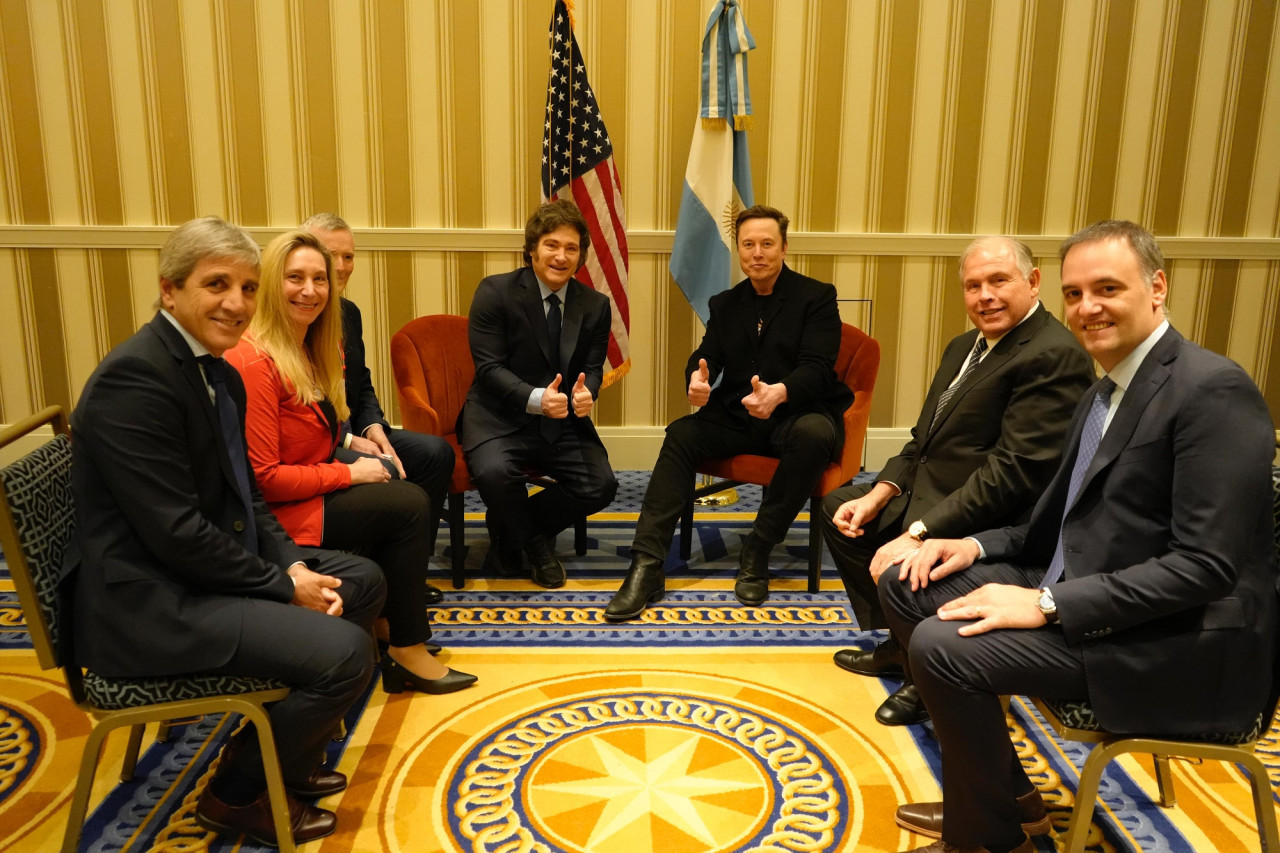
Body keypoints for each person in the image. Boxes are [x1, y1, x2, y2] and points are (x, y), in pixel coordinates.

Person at [885, 220, 1278, 853]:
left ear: (1156, 288)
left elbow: (1204, 567)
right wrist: (973, 547)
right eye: (1074, 294)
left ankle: (985, 838)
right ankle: (1007, 798)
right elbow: (1060, 523)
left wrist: (1045, 605)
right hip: (1092, 587)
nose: (1087, 308)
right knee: (907, 579)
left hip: (1174, 638)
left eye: (1106, 289)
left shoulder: (1212, 391)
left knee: (941, 647)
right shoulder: (1107, 389)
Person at [69, 217, 388, 845]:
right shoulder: (135, 380)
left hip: (198, 570)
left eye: (246, 287)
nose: (237, 303)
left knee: (364, 583)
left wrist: (291, 566)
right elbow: (178, 535)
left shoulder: (211, 367)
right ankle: (237, 793)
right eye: (217, 285)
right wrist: (280, 584)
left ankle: (281, 760)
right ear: (169, 290)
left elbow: (245, 497)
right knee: (347, 655)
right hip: (149, 606)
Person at [819, 236, 1093, 725]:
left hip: (994, 517)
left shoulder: (1053, 354)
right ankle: (900, 646)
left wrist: (918, 531)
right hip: (936, 492)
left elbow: (1012, 474)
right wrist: (880, 494)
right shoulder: (965, 345)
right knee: (840, 510)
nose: (984, 296)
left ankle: (923, 677)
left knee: (906, 566)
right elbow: (921, 440)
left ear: (1033, 283)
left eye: (998, 281)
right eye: (973, 286)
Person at [226, 230, 475, 696]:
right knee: (407, 505)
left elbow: (337, 411)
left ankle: (390, 621)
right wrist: (349, 471)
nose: (310, 290)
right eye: (295, 277)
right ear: (270, 284)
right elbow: (263, 479)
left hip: (313, 483)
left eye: (319, 279)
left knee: (405, 486)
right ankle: (406, 645)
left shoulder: (307, 345)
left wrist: (355, 439)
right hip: (280, 516)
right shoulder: (256, 361)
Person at [606, 205, 854, 621]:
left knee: (814, 435)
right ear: (738, 250)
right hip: (739, 416)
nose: (757, 253)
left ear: (784, 247)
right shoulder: (726, 303)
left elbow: (817, 367)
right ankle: (647, 565)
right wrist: (697, 379)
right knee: (682, 434)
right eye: (748, 244)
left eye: (767, 244)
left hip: (796, 414)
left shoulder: (816, 296)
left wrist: (780, 392)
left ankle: (758, 547)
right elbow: (709, 355)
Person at [459, 200, 618, 588]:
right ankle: (535, 544)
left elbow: (593, 368)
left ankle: (511, 527)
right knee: (496, 474)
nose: (560, 256)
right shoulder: (495, 291)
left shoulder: (595, 305)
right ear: (532, 248)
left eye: (571, 248)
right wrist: (535, 399)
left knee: (602, 486)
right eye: (551, 244)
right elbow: (489, 368)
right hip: (498, 416)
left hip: (561, 422)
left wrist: (589, 393)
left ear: (581, 255)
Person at [303, 212, 455, 604]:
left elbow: (361, 382)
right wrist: (353, 440)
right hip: (318, 444)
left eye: (349, 257)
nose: (341, 267)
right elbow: (307, 407)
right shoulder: (296, 314)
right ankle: (381, 582)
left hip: (355, 431)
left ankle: (409, 574)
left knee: (434, 454)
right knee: (391, 475)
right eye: (330, 255)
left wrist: (375, 429)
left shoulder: (347, 313)